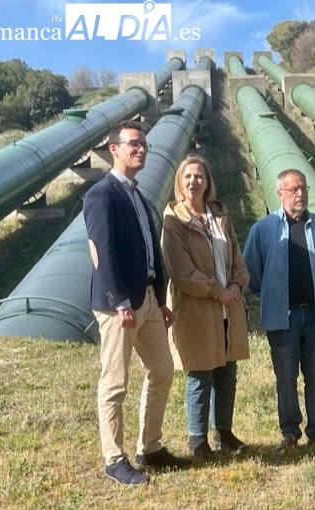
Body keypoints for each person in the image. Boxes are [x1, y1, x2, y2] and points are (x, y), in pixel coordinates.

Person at [83, 121, 191, 486]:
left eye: (144, 144)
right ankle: (114, 458)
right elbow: (103, 252)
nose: (141, 149)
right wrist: (119, 301)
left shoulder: (139, 197)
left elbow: (151, 253)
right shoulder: (101, 195)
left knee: (162, 369)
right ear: (114, 149)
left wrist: (159, 300)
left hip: (146, 301)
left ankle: (151, 447)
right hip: (121, 305)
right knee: (115, 381)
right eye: (134, 143)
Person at [243, 169, 315, 451]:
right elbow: (252, 270)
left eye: (303, 188)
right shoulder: (263, 228)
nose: (300, 194)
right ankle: (290, 433)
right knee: (286, 378)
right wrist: (270, 297)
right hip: (282, 319)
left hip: (314, 315)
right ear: (280, 194)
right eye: (293, 189)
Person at [161, 155, 251, 458]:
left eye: (199, 176)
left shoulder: (219, 215)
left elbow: (237, 256)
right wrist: (217, 291)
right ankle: (197, 440)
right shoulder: (174, 219)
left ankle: (224, 433)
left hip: (229, 307)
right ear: (180, 183)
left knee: (227, 373)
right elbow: (182, 271)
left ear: (207, 182)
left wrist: (237, 284)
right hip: (198, 308)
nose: (193, 182)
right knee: (201, 374)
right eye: (187, 177)